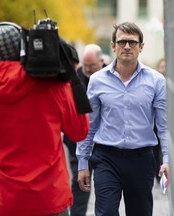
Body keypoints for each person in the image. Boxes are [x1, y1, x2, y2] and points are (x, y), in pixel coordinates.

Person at [0, 22, 89, 216]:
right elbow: (79, 132)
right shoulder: (53, 88)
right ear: (25, 48)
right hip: (50, 196)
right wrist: (70, 78)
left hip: (6, 199)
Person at [76, 22, 169, 216]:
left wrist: (166, 159)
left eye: (132, 42)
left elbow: (163, 126)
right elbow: (89, 125)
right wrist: (83, 163)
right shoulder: (97, 80)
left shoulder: (156, 80)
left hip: (141, 158)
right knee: (106, 212)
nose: (127, 46)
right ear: (113, 45)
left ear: (141, 47)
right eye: (122, 42)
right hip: (106, 158)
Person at [63, 44, 105, 216]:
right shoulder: (74, 78)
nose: (87, 69)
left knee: (105, 184)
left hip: (103, 140)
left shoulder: (110, 76)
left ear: (101, 61)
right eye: (85, 65)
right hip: (77, 139)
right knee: (80, 182)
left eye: (92, 65)